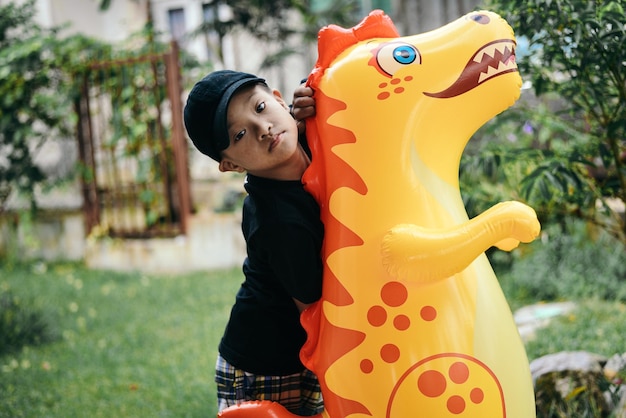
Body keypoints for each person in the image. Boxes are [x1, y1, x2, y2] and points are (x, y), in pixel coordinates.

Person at [183, 70, 324, 416]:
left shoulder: (311, 140)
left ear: (279, 99)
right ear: (231, 164)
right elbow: (312, 301)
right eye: (241, 134)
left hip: (295, 355)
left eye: (260, 107)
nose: (263, 129)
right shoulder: (276, 218)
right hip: (264, 368)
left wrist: (316, 106)